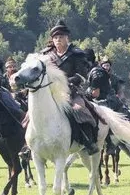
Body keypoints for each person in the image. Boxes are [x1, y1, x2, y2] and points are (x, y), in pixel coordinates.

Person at [41, 21, 98, 152]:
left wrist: (65, 81)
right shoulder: (46, 55)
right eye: (55, 38)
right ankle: (28, 144)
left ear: (67, 38)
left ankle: (88, 140)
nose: (58, 40)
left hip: (71, 90)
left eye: (61, 37)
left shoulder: (77, 54)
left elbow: (82, 75)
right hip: (49, 91)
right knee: (30, 112)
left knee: (79, 109)